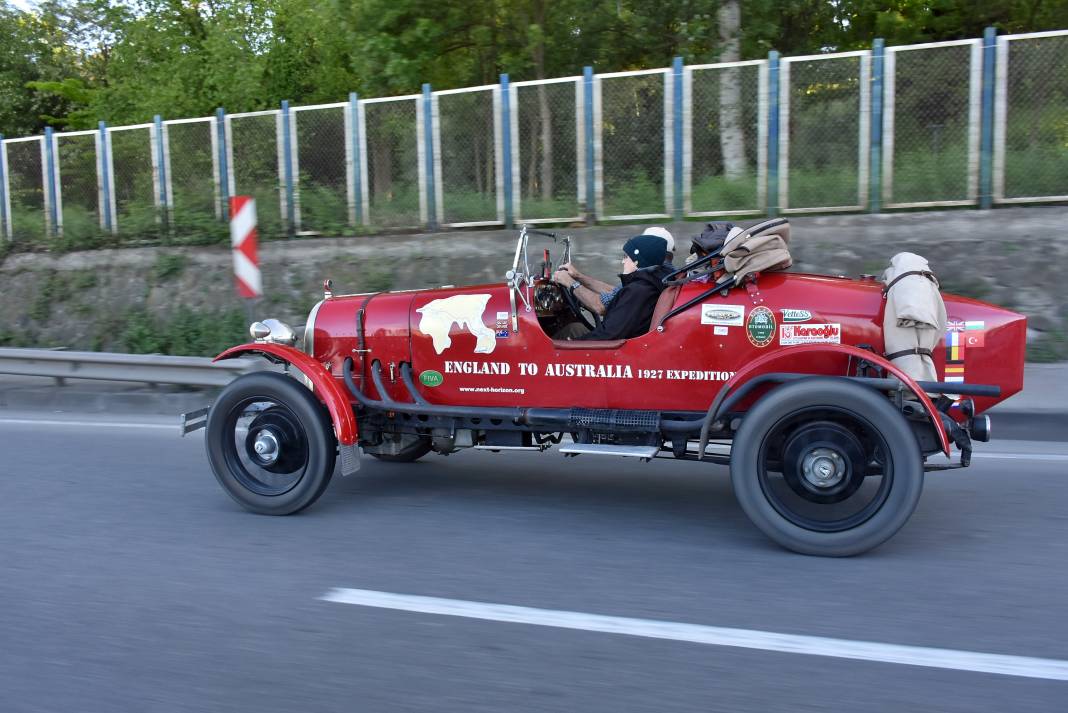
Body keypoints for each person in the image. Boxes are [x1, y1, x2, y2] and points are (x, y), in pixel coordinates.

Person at [552, 234, 671, 341]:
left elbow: (601, 311)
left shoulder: (639, 290)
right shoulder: (647, 283)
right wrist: (578, 276)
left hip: (613, 351)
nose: (622, 262)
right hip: (619, 343)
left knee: (558, 341)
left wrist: (570, 283)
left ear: (637, 261)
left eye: (625, 256)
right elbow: (616, 293)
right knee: (574, 328)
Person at [557, 226, 676, 317]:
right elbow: (619, 293)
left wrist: (570, 283)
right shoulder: (665, 275)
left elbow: (601, 306)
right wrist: (578, 276)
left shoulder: (646, 279)